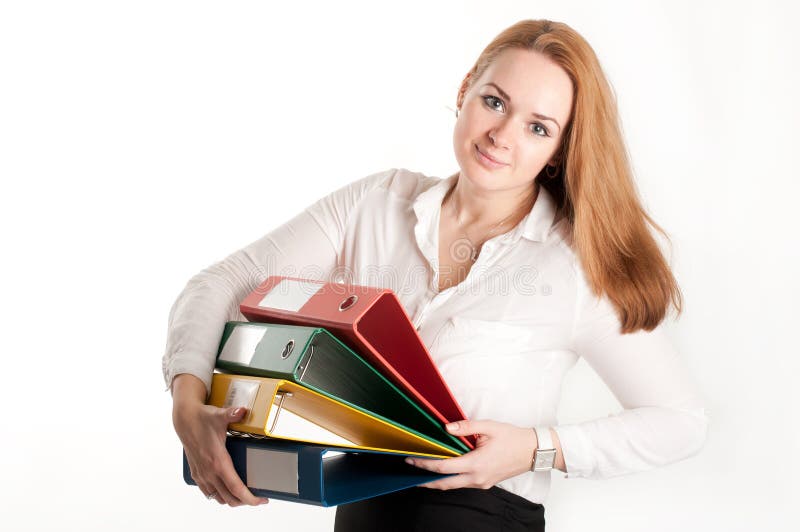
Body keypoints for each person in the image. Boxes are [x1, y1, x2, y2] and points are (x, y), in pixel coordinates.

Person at [163, 19, 708, 531]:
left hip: (485, 517)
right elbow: (221, 284)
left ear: (558, 151)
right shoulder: (375, 204)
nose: (501, 135)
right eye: (494, 102)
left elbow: (679, 422)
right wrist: (187, 404)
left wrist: (536, 448)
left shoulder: (576, 265)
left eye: (537, 127)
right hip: (363, 510)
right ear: (464, 89)